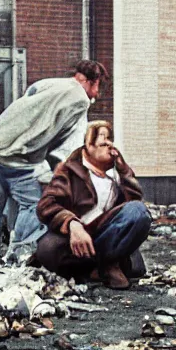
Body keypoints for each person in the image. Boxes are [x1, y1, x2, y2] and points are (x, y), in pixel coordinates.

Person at [0, 60, 107, 261]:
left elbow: (31, 101)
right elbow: (69, 149)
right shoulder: (81, 100)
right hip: (20, 161)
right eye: (97, 89)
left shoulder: (48, 83)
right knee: (37, 206)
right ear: (93, 82)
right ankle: (15, 262)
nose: (96, 95)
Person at [33, 121, 150, 289]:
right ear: (88, 146)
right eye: (103, 143)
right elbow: (46, 204)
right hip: (76, 241)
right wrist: (72, 224)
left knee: (139, 212)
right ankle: (99, 267)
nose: (110, 146)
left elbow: (135, 200)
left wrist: (124, 170)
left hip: (107, 236)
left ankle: (107, 263)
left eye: (111, 141)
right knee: (47, 249)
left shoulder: (116, 173)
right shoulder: (69, 170)